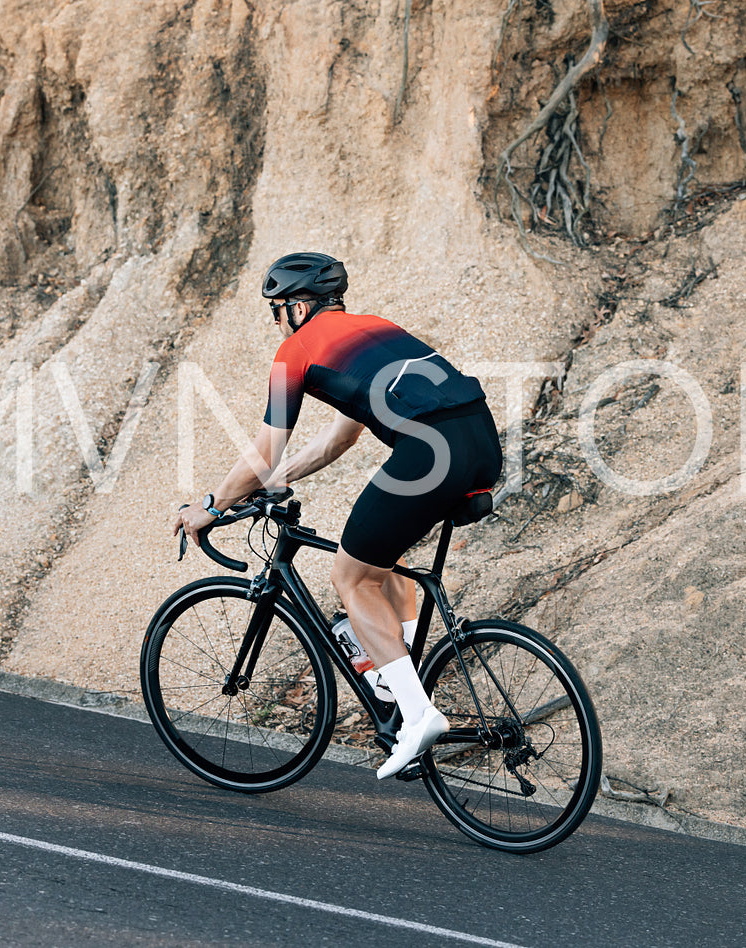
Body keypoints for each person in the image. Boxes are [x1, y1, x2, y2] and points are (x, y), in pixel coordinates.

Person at [171, 251, 503, 779]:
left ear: (298, 308)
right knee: (383, 564)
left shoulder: (295, 351)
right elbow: (340, 437)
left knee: (350, 577)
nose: (276, 322)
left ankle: (417, 715)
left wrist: (212, 506)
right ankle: (403, 675)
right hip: (480, 442)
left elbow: (264, 448)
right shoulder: (376, 328)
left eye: (276, 310)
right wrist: (279, 481)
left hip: (427, 453)